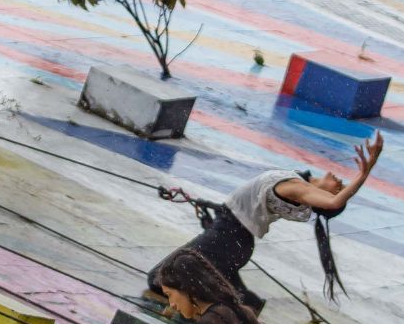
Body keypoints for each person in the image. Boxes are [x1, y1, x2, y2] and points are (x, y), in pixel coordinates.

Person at [150, 132, 383, 312]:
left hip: (229, 236)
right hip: (231, 236)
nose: (340, 181)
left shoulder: (298, 190)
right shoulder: (300, 180)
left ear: (320, 199)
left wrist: (364, 174)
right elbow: (325, 194)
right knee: (217, 290)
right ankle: (244, 305)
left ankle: (241, 309)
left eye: (339, 187)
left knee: (159, 279)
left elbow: (333, 203)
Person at [158, 248, 273, 324]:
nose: (171, 304)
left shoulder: (212, 322)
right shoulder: (238, 311)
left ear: (186, 288)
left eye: (169, 294)